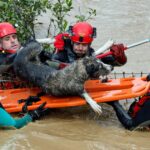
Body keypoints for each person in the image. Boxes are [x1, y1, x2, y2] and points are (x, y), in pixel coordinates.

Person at [52, 21, 127, 67]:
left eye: (84, 45)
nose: (80, 48)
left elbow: (114, 63)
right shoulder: (61, 55)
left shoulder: (92, 54)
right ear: (72, 42)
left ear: (89, 44)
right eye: (77, 44)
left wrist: (120, 58)